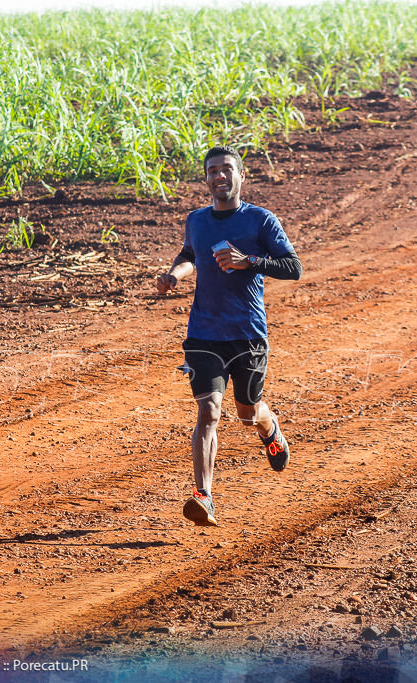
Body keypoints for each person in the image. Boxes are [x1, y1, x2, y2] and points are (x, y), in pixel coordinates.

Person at [156, 145, 303, 526]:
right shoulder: (197, 220)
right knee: (208, 411)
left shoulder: (261, 221)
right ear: (206, 179)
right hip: (204, 332)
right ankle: (203, 496)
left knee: (247, 412)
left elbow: (293, 267)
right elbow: (190, 253)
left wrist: (249, 261)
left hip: (248, 335)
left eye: (226, 170)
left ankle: (268, 425)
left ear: (241, 176)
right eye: (212, 171)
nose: (219, 176)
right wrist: (176, 275)